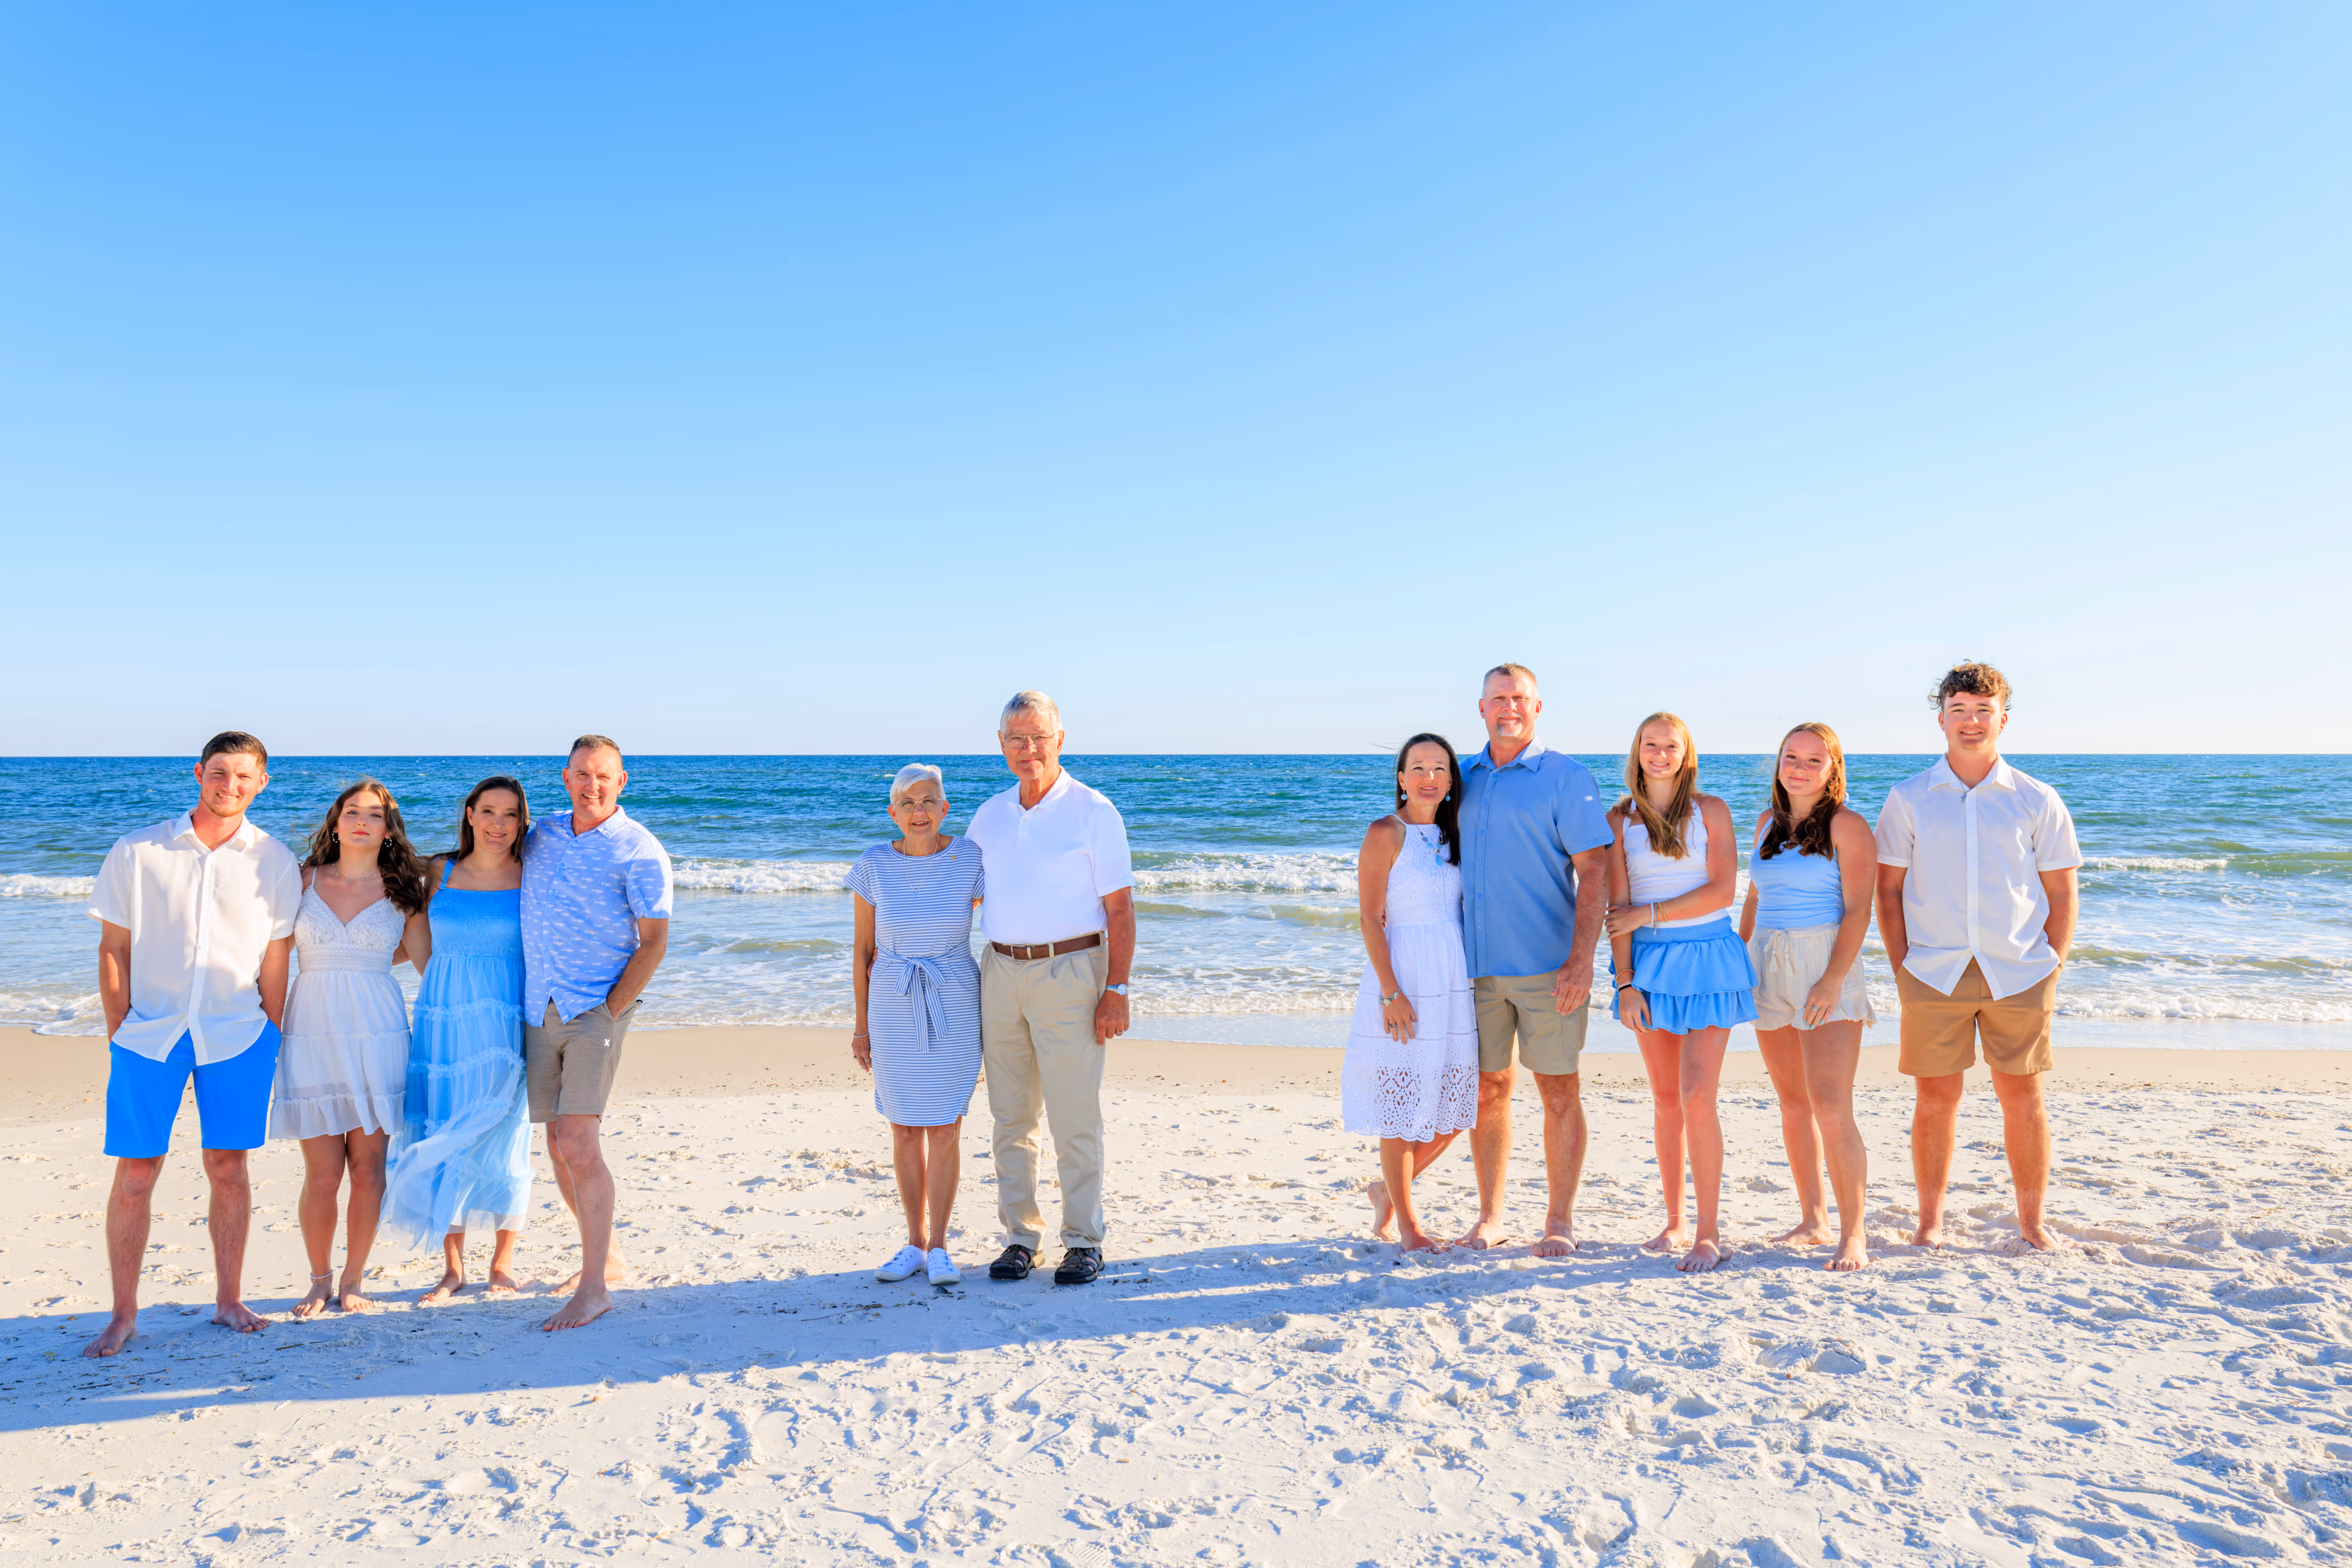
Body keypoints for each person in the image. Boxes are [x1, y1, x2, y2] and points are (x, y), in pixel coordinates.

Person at [82, 732, 302, 1357]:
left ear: (261, 783)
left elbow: (276, 956)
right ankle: (123, 1313)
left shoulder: (275, 860)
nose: (230, 785)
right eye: (220, 772)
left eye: (244, 775)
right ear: (199, 772)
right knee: (136, 1171)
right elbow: (113, 948)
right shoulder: (138, 850)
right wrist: (120, 1029)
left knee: (229, 1167)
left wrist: (271, 1030)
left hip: (239, 1034)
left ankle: (229, 1300)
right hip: (148, 1034)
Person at [1874, 662, 2080, 1253]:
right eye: (1958, 710)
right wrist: (1901, 966)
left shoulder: (2035, 798)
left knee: (2023, 1098)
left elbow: (2062, 891)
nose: (1970, 722)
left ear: (2002, 719)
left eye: (1982, 711)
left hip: (2019, 971)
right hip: (1931, 972)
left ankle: (2031, 1223)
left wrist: (2052, 964)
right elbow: (1887, 889)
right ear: (1940, 719)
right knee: (1935, 1099)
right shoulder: (1908, 798)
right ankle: (1929, 1222)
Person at [964, 692, 1136, 1287]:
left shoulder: (1094, 810)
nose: (1028, 748)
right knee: (1010, 1116)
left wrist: (1116, 988)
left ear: (1060, 739)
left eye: (1038, 737)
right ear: (1000, 745)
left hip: (1071, 971)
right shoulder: (989, 815)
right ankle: (1021, 1237)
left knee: (1073, 1116)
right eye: (1016, 738)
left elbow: (1120, 910)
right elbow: (965, 895)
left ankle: (1084, 1241)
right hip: (1000, 972)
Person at [1453, 664, 1613, 1255]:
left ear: (1537, 706)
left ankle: (1558, 1220)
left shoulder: (1566, 776)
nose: (1509, 707)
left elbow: (1594, 870)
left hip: (1549, 967)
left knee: (1558, 1092)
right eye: (1497, 698)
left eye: (1519, 697)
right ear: (1481, 708)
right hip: (1473, 968)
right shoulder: (1458, 777)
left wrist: (1582, 960)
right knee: (1486, 1091)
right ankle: (1489, 1216)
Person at [521, 735, 673, 1329]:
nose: (593, 785)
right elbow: (480, 854)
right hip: (538, 1005)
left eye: (604, 775)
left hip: (595, 1009)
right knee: (557, 1144)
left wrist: (610, 1010)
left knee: (579, 1143)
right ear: (566, 777)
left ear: (622, 780)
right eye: (582, 774)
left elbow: (653, 942)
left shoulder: (639, 848)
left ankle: (593, 1290)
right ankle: (606, 1257)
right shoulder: (541, 835)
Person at [272, 778, 432, 1315]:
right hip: (311, 1033)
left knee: (368, 1170)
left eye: (375, 814)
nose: (363, 821)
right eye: (352, 811)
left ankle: (354, 1278)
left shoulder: (405, 889)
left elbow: (429, 964)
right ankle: (318, 1280)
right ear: (336, 822)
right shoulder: (302, 879)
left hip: (378, 1036)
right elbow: (272, 956)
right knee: (322, 1174)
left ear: (389, 829)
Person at [1605, 712, 1757, 1274]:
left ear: (1686, 753)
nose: (1660, 754)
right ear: (1637, 751)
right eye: (1650, 744)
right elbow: (1617, 911)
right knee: (1666, 1099)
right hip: (1648, 965)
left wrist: (1651, 912)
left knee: (1697, 1096)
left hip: (1709, 957)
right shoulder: (1618, 818)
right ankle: (1672, 1222)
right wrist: (1624, 983)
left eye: (1670, 746)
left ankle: (1708, 1232)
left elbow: (1721, 890)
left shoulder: (1710, 809)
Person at [380, 776, 534, 1302]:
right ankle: (452, 1268)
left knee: (503, 1130)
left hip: (508, 1017)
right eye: (488, 811)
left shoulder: (532, 873)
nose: (498, 824)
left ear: (522, 822)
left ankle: (502, 1262)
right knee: (444, 1124)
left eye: (510, 814)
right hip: (443, 1018)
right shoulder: (437, 871)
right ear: (469, 814)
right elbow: (413, 937)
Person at [1737, 723, 1877, 1272]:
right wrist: (1739, 958)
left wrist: (1831, 979)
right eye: (1790, 757)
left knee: (1831, 1106)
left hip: (1824, 961)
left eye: (1813, 759)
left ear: (1832, 768)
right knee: (1792, 1103)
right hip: (1766, 962)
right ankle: (1812, 1219)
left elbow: (1859, 909)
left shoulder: (1847, 825)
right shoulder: (1765, 823)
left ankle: (1853, 1234)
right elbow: (1753, 898)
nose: (1798, 768)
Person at [848, 764, 986, 1287]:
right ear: (893, 813)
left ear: (944, 808)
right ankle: (913, 1243)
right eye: (907, 803)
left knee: (946, 1127)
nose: (919, 811)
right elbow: (862, 951)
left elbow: (1009, 911)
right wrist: (860, 1027)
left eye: (928, 801)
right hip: (892, 1003)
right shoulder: (873, 865)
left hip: (954, 1000)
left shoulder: (970, 858)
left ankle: (941, 1246)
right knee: (904, 1128)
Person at [1344, 734, 1478, 1256]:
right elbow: (1369, 918)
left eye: (1439, 768)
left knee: (1459, 1102)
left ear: (1451, 780)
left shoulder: (1456, 832)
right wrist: (1390, 992)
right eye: (1418, 767)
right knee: (1399, 1109)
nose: (1429, 777)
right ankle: (1408, 1225)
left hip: (1453, 978)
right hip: (1403, 978)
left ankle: (1385, 1190)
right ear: (1401, 778)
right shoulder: (1385, 832)